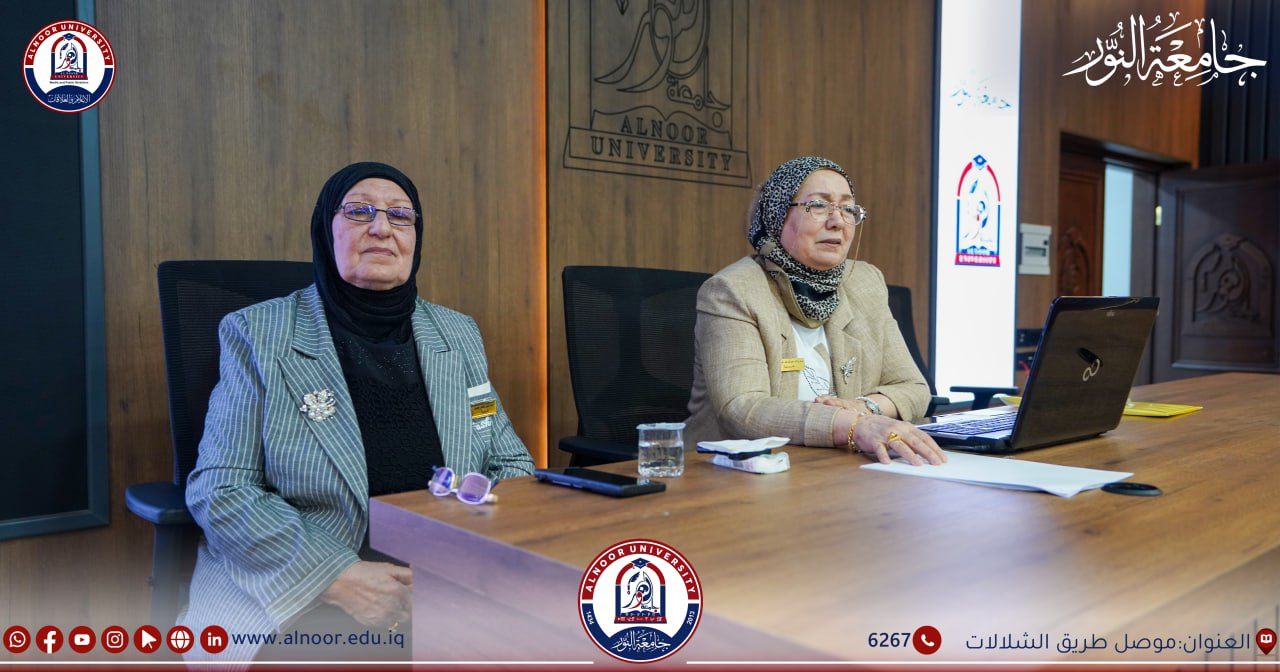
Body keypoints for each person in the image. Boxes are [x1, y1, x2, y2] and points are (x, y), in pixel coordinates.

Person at [180, 162, 534, 662]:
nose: (382, 228)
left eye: (400, 215)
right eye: (360, 211)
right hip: (302, 590)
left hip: (443, 580)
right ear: (327, 230)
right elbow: (221, 488)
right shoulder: (259, 333)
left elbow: (510, 463)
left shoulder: (457, 333)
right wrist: (336, 576)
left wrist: (464, 558)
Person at [684, 156, 945, 466]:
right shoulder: (733, 290)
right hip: (739, 471)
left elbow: (914, 388)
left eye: (848, 209)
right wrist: (852, 426)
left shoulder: (864, 282)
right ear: (777, 215)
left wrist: (864, 408)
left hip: (835, 466)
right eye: (818, 205)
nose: (838, 221)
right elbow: (743, 409)